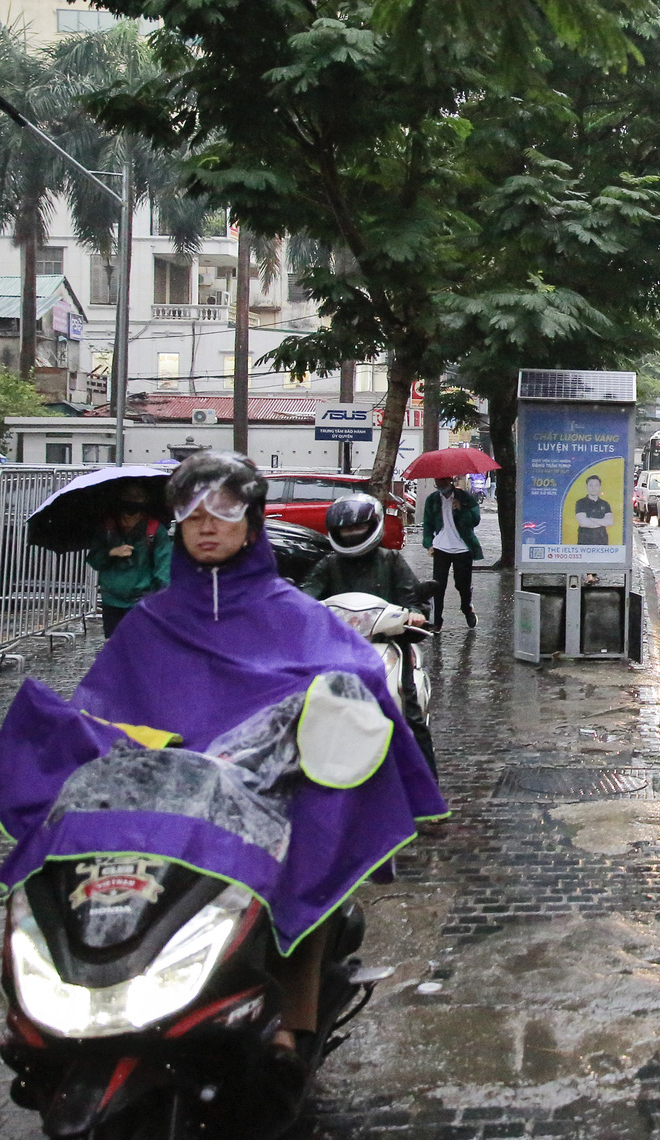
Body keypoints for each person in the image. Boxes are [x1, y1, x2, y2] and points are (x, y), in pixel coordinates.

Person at [0, 452, 445, 1064]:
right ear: (177, 524)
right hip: (168, 807)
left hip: (269, 799)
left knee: (308, 856)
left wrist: (328, 710)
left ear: (252, 524)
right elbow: (104, 708)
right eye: (192, 514)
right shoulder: (151, 622)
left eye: (224, 512)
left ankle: (296, 1017)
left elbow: (357, 671)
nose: (207, 526)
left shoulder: (294, 614)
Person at [301, 493, 425, 609]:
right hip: (339, 629)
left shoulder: (391, 559)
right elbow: (309, 595)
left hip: (386, 630)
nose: (353, 533)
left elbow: (411, 598)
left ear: (373, 526)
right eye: (346, 529)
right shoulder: (329, 564)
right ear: (336, 531)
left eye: (359, 527)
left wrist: (414, 613)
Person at [85, 482, 173, 636]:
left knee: (140, 644)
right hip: (111, 599)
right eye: (128, 497)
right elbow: (94, 559)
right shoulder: (107, 528)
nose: (132, 503)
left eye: (138, 497)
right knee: (115, 646)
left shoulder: (154, 530)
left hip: (143, 600)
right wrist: (111, 552)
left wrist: (162, 599)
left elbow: (164, 567)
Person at [422, 476, 482, 629]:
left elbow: (474, 520)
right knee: (438, 586)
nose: (441, 485)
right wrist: (429, 544)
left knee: (462, 584)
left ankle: (467, 609)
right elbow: (428, 524)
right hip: (441, 548)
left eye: (444, 481)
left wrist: (461, 509)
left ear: (450, 480)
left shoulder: (465, 497)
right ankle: (437, 621)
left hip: (463, 548)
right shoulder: (432, 500)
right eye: (438, 482)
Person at [573, 474, 614, 545]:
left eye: (596, 485)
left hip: (602, 542)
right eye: (591, 485)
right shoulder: (581, 502)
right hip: (585, 542)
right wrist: (602, 522)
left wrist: (591, 519)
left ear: (600, 487)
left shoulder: (605, 504)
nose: (593, 488)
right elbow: (583, 523)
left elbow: (610, 522)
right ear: (586, 487)